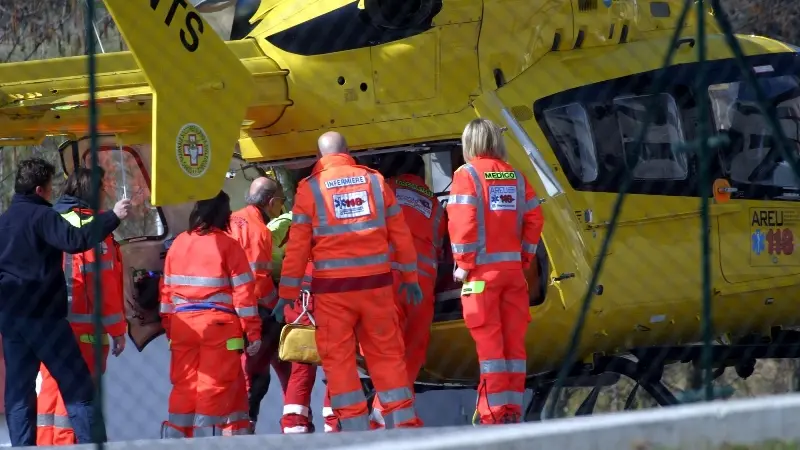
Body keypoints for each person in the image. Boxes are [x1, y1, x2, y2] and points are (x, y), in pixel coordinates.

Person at [276, 131, 424, 431]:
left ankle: (354, 431)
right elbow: (401, 235)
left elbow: (297, 248)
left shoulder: (310, 188)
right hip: (376, 289)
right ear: (348, 150)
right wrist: (411, 278)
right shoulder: (375, 182)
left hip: (333, 295)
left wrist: (288, 293)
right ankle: (404, 425)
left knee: (339, 362)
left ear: (319, 156)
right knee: (387, 356)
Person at [0, 158, 130, 446]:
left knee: (19, 393)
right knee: (78, 388)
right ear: (39, 189)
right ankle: (91, 443)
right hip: (45, 318)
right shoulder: (42, 217)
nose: (51, 192)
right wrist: (113, 217)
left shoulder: (4, 222)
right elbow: (75, 240)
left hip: (11, 322)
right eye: (49, 187)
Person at [446, 118, 544, 425]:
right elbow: (535, 219)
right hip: (513, 274)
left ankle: (493, 414)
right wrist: (524, 258)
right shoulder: (516, 176)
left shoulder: (466, 175)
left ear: (470, 143)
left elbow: (463, 223)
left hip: (481, 278)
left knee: (491, 348)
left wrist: (464, 264)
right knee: (514, 347)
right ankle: (512, 410)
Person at [36, 168, 128, 445]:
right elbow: (102, 285)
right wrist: (117, 329)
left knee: (50, 392)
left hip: (48, 324)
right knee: (76, 398)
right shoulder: (95, 227)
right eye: (103, 189)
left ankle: (44, 444)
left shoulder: (49, 219)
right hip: (84, 329)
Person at [159, 191, 262, 438]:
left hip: (183, 326)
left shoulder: (178, 243)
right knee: (213, 386)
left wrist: (170, 326)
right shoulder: (228, 245)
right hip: (219, 328)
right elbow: (244, 293)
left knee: (185, 384)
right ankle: (207, 439)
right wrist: (253, 332)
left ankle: (175, 437)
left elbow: (166, 290)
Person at [370, 154, 447, 428]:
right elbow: (439, 248)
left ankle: (384, 416)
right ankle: (396, 417)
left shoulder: (384, 189)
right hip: (421, 287)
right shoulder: (436, 206)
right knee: (411, 353)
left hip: (387, 280)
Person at [227, 176, 291, 433]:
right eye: (281, 202)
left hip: (228, 308)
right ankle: (246, 426)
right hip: (253, 311)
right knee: (260, 372)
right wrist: (280, 305)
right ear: (272, 202)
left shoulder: (230, 220)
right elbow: (259, 281)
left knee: (245, 371)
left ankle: (239, 425)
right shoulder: (260, 230)